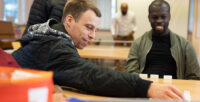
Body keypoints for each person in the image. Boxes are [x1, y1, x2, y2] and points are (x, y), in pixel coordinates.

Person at [12, 0, 183, 99]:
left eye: (95, 29)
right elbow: (91, 75)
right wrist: (147, 88)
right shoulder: (55, 46)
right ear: (69, 21)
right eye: (88, 27)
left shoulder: (50, 36)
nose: (93, 36)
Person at [126, 0, 200, 79]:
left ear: (169, 17)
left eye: (163, 17)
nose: (159, 21)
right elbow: (131, 73)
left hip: (174, 90)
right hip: (146, 89)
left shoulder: (185, 46)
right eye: (155, 17)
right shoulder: (138, 43)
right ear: (149, 18)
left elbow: (194, 77)